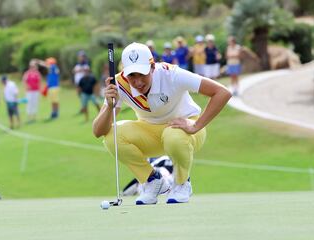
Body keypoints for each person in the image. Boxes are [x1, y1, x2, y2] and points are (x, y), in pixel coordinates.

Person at [92, 42, 231, 205]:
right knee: (111, 137)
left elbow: (222, 92)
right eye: (132, 76)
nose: (137, 82)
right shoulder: (119, 84)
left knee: (173, 136)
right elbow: (98, 131)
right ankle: (152, 181)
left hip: (186, 131)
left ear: (152, 67)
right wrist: (109, 105)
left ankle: (182, 183)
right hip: (151, 133)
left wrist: (196, 125)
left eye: (142, 74)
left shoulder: (172, 74)